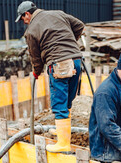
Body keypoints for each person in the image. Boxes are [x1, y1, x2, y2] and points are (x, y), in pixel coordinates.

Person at [15, 1, 85, 153]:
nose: (24, 22)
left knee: (59, 103)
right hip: (76, 60)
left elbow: (35, 56)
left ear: (27, 14)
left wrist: (36, 71)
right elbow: (79, 25)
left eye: (22, 18)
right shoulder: (58, 13)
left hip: (59, 64)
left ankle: (63, 143)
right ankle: (63, 134)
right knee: (67, 100)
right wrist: (70, 43)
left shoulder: (31, 30)